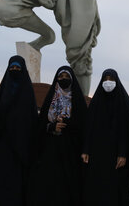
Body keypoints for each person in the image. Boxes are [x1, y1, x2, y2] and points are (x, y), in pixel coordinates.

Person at [28, 66, 88, 206]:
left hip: (71, 151)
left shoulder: (77, 100)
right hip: (50, 150)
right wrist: (51, 126)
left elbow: (83, 125)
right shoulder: (51, 99)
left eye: (67, 77)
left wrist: (67, 123)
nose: (64, 80)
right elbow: (40, 125)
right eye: (61, 77)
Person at [0, 56, 38, 206]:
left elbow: (31, 119)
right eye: (12, 68)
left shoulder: (27, 93)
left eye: (18, 68)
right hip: (1, 144)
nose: (14, 71)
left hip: (20, 149)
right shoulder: (2, 92)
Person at [82, 69, 129, 206]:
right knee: (96, 188)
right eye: (105, 79)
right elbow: (89, 128)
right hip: (97, 154)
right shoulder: (96, 102)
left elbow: (127, 130)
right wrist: (86, 150)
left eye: (111, 79)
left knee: (115, 189)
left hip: (117, 156)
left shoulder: (124, 102)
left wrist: (123, 153)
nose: (108, 82)